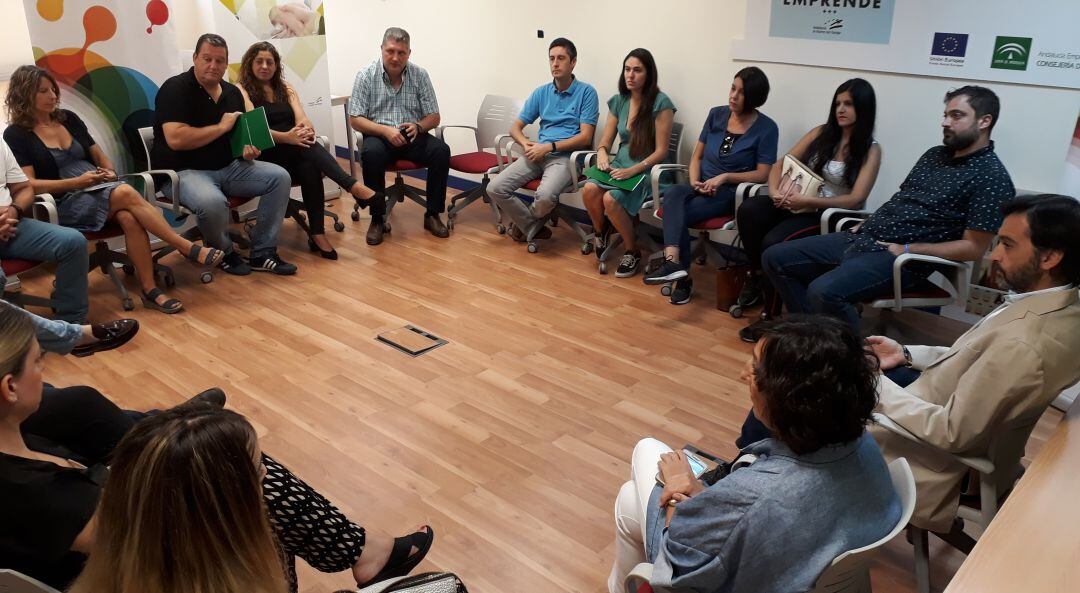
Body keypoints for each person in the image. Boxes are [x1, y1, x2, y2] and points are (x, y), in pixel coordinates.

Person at [0, 307, 434, 591]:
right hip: (140, 574)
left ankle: (360, 550)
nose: (46, 369)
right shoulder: (35, 495)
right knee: (245, 474)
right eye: (40, 361)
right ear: (10, 386)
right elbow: (147, 541)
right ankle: (360, 552)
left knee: (239, 460)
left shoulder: (25, 452)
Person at [608, 316, 900, 593]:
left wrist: (676, 489)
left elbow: (676, 572)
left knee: (646, 452)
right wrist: (709, 502)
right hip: (805, 563)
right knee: (628, 499)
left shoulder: (755, 495)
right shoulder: (863, 442)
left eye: (756, 370)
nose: (743, 374)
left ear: (789, 399)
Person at [865, 194, 1079, 533]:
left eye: (1007, 245)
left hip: (934, 454)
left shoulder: (1024, 342)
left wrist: (873, 388)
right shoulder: (1060, 308)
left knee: (792, 393)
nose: (993, 254)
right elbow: (977, 358)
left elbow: (952, 433)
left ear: (1050, 257)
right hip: (938, 404)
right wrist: (906, 354)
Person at [759, 86, 1015, 334]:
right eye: (945, 115)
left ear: (984, 121)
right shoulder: (934, 155)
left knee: (823, 291)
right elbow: (902, 199)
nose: (945, 122)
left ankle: (852, 363)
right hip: (866, 236)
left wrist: (908, 249)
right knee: (776, 257)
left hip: (902, 257)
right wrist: (870, 222)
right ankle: (813, 339)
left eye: (956, 115)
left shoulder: (992, 178)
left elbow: (973, 248)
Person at [4, 66, 225, 314]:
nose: (53, 95)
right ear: (25, 95)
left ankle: (150, 290)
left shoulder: (69, 119)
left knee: (129, 217)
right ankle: (186, 247)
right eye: (43, 91)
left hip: (98, 187)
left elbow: (100, 157)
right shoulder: (17, 135)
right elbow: (28, 184)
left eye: (53, 89)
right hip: (62, 201)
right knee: (126, 194)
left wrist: (108, 172)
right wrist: (75, 183)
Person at [736, 79, 881, 339]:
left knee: (773, 241)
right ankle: (756, 275)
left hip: (829, 214)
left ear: (863, 107)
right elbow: (782, 162)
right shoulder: (820, 133)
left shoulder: (871, 150)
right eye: (837, 103)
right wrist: (777, 190)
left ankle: (769, 316)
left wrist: (808, 202)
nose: (841, 109)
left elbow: (856, 200)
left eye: (848, 104)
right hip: (798, 203)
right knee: (750, 209)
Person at [153, 33, 296, 276]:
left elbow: (239, 140)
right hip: (184, 172)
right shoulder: (174, 88)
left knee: (279, 177)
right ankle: (224, 252)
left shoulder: (232, 93)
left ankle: (262, 252)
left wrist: (249, 152)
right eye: (207, 59)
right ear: (195, 58)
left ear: (226, 63)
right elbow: (176, 139)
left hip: (228, 167)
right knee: (212, 201)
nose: (213, 66)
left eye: (220, 61)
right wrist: (221, 127)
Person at [642, 67, 778, 305]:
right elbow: (697, 156)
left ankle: (680, 277)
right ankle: (673, 260)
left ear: (755, 97)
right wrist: (694, 180)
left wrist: (724, 177)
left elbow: (763, 173)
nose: (733, 96)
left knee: (678, 213)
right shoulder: (716, 115)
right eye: (732, 88)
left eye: (741, 92)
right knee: (674, 192)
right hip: (699, 186)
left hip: (728, 194)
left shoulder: (767, 128)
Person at [237, 41, 381, 260]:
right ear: (250, 63)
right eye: (259, 61)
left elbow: (302, 118)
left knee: (309, 165)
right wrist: (288, 137)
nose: (265, 66)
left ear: (276, 65)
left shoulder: (285, 87)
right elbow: (255, 131)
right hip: (265, 156)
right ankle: (353, 187)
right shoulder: (242, 90)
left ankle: (317, 233)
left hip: (295, 151)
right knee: (307, 151)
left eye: (270, 62)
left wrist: (305, 130)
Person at [487, 37, 599, 244]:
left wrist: (550, 146)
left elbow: (585, 137)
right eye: (551, 59)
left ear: (573, 62)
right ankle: (531, 226)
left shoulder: (587, 92)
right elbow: (515, 128)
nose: (555, 64)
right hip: (537, 153)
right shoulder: (542, 92)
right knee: (495, 188)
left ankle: (524, 225)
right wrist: (524, 143)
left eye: (561, 58)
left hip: (566, 158)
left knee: (546, 196)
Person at [348, 27, 451, 245]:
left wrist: (419, 126)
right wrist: (385, 130)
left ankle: (432, 214)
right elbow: (355, 119)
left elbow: (434, 116)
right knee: (371, 153)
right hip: (379, 133)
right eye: (391, 51)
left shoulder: (420, 75)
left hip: (412, 134)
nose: (395, 58)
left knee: (441, 151)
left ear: (409, 53)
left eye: (401, 53)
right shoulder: (365, 76)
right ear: (382, 49)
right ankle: (377, 219)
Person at [581, 48, 675, 277]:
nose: (630, 75)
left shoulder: (661, 103)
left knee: (610, 200)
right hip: (621, 164)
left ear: (649, 74)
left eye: (637, 70)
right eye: (627, 69)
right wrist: (602, 155)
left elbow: (662, 151)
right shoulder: (619, 101)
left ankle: (632, 250)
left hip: (649, 170)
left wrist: (634, 169)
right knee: (589, 188)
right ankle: (601, 230)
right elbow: (605, 141)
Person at [0, 136, 88, 323]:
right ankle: (11, 342)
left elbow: (24, 188)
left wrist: (14, 210)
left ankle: (72, 322)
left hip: (12, 225)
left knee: (73, 242)